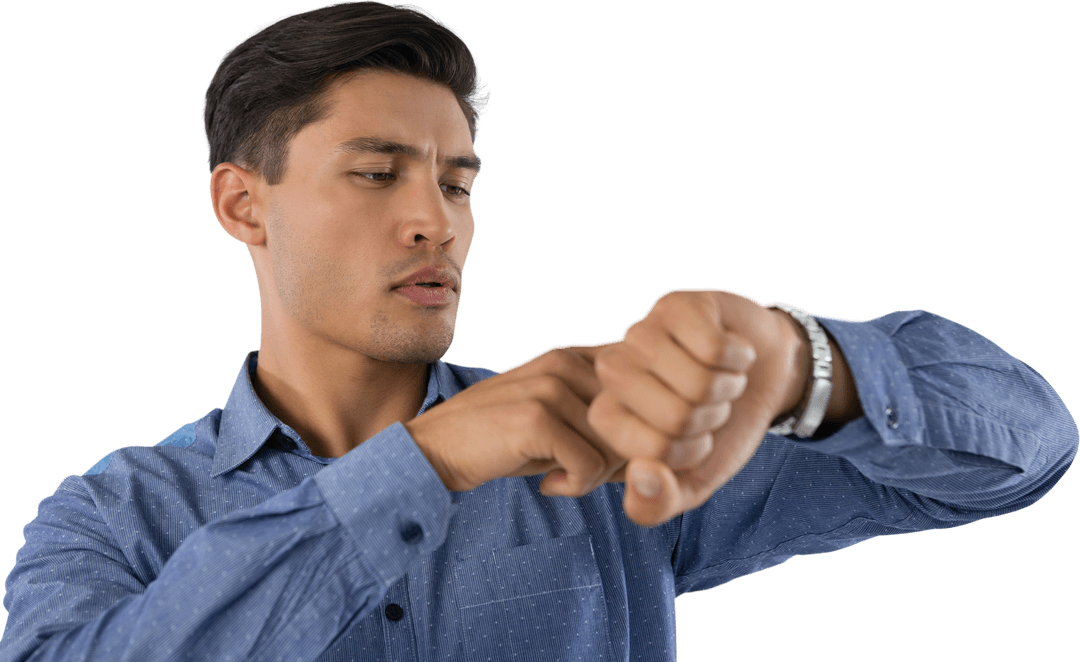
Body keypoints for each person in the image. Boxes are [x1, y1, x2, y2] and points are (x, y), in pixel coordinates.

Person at [1, 1, 1075, 660]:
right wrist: (425, 462)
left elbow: (1031, 448)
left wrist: (801, 365)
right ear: (244, 205)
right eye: (376, 173)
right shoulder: (114, 512)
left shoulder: (607, 445)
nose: (435, 219)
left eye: (459, 183)